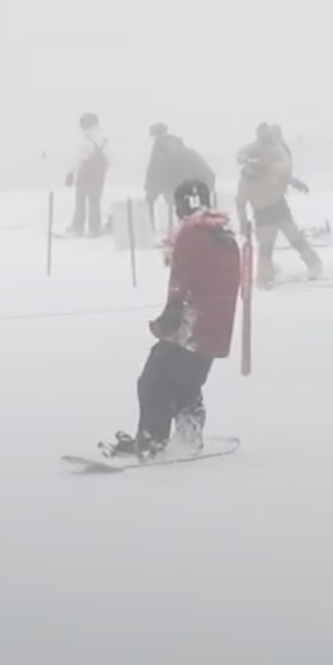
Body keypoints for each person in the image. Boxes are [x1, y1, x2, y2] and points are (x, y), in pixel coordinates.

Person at [101, 177, 242, 462]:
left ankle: (152, 442)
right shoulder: (221, 232)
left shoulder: (192, 233)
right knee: (186, 384)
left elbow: (183, 278)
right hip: (214, 327)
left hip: (190, 324)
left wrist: (172, 315)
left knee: (154, 381)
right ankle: (189, 436)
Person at [235, 123, 321, 284]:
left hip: (279, 208)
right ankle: (265, 275)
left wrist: (296, 183)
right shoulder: (246, 178)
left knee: (295, 238)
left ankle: (314, 263)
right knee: (265, 248)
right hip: (262, 213)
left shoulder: (269, 168)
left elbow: (283, 177)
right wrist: (243, 223)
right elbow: (240, 202)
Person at [143, 124, 214, 220]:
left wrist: (151, 189)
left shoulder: (161, 149)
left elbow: (155, 169)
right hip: (194, 181)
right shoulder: (178, 146)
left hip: (186, 182)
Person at [67, 113, 111, 237]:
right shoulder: (104, 140)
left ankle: (77, 227)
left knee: (80, 200)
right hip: (98, 175)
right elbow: (110, 159)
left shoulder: (86, 140)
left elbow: (79, 159)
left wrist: (71, 172)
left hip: (85, 175)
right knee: (95, 202)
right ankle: (94, 228)